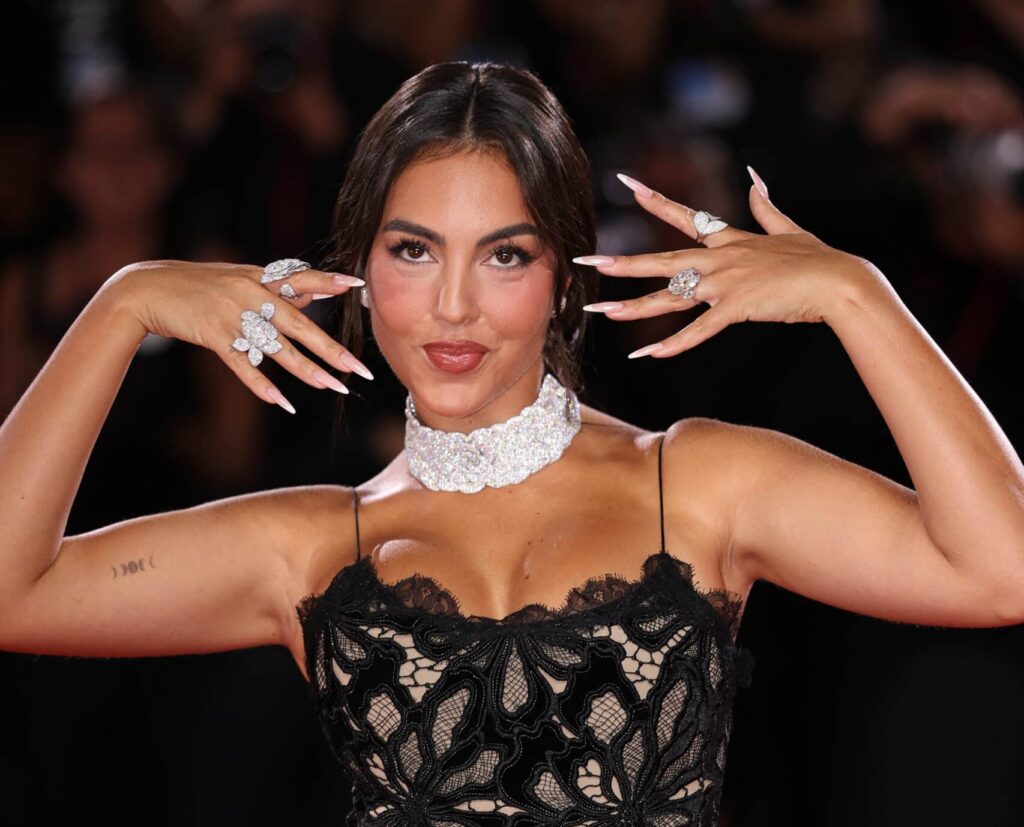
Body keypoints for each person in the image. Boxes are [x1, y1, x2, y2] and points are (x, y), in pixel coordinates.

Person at [1, 60, 1023, 826]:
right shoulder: (307, 547)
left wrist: (856, 293)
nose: (452, 305)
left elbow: (1002, 567)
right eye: (413, 250)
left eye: (504, 255)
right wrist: (119, 305)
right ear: (361, 269)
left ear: (563, 278)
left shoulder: (700, 483)